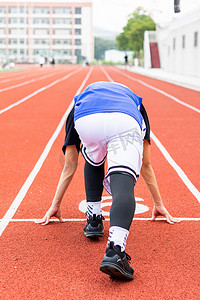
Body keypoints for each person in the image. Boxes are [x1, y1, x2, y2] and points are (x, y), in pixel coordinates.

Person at [37, 81, 180, 281]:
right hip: (124, 119)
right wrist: (158, 203)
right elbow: (146, 164)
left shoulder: (79, 102)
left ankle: (93, 219)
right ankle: (115, 251)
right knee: (123, 182)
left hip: (87, 120)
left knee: (93, 155)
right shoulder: (135, 103)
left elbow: (70, 164)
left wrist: (55, 204)